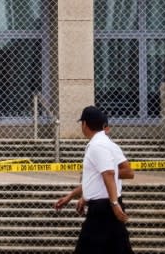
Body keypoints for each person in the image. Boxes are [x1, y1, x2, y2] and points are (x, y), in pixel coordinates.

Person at [56, 106, 133, 253]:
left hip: (103, 209)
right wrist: (73, 196)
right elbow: (100, 178)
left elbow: (109, 174)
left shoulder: (97, 146)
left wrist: (114, 203)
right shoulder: (107, 144)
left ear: (84, 124)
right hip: (106, 207)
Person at [55, 120, 135, 215]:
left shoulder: (107, 146)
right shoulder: (96, 146)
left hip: (105, 204)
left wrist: (114, 203)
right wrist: (74, 196)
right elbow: (93, 180)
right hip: (102, 203)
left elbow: (128, 173)